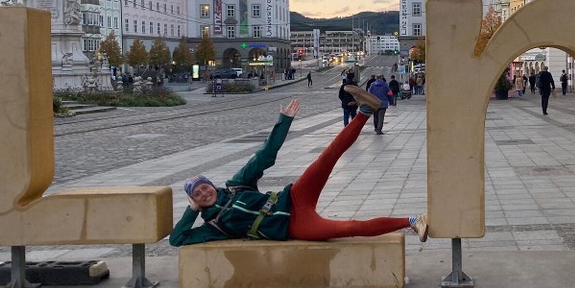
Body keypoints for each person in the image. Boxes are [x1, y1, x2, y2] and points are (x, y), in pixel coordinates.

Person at [169, 91, 428, 246]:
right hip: (294, 226)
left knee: (327, 158)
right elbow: (177, 239)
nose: (204, 194)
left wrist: (284, 121)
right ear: (194, 201)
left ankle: (364, 111)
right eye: (198, 195)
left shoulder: (236, 185)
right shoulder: (213, 226)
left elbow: (265, 156)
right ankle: (413, 221)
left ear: (211, 185)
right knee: (348, 228)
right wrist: (192, 212)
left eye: (204, 188)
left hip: (292, 197)